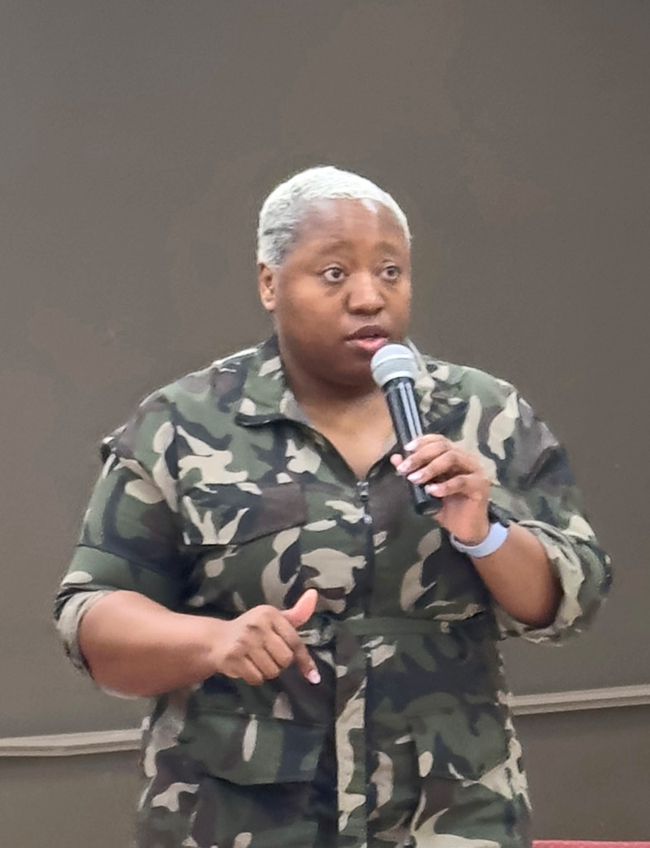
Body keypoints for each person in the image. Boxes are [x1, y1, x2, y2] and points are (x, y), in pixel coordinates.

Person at [55, 166, 611, 848]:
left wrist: (485, 535)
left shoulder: (484, 414)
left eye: (390, 272)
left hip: (449, 817)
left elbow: (571, 598)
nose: (369, 297)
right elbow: (92, 616)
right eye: (335, 273)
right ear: (270, 283)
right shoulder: (181, 424)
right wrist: (213, 642)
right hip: (240, 816)